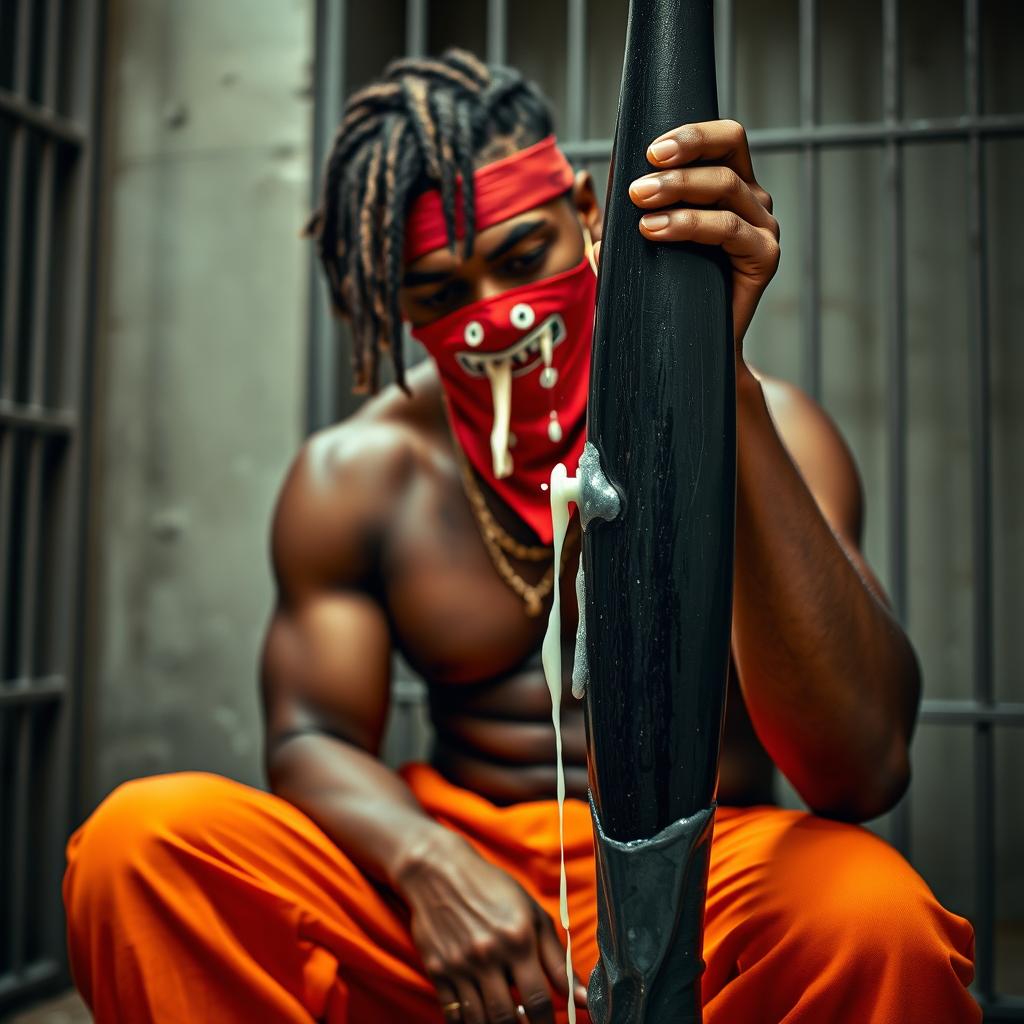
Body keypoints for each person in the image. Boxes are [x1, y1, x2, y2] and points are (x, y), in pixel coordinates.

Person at [63, 49, 980, 1024]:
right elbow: (312, 735)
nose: (491, 319)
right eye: (437, 291)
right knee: (139, 846)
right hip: (457, 889)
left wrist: (723, 381)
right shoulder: (362, 473)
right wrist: (430, 865)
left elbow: (862, 767)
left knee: (875, 918)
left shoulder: (775, 429)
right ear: (396, 305)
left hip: (706, 868)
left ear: (586, 214)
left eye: (516, 257)